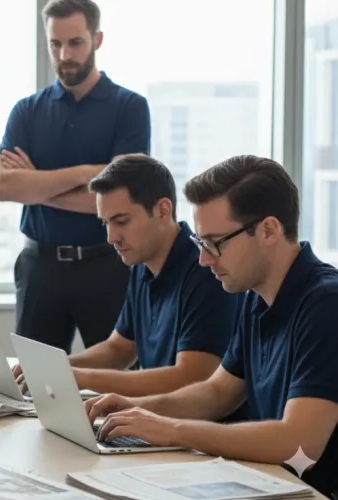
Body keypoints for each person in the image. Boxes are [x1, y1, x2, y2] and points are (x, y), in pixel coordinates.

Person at [84, 155, 338, 497]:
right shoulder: (256, 295)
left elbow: (299, 442)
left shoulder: (325, 303)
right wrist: (133, 406)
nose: (204, 259)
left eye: (215, 243)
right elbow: (218, 392)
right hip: (273, 484)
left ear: (269, 230)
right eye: (200, 244)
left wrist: (172, 429)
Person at [15, 154, 243, 401]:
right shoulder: (141, 264)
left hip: (197, 430)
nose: (112, 237)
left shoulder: (205, 269)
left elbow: (191, 377)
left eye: (121, 221)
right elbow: (118, 349)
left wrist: (80, 378)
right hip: (159, 420)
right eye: (105, 224)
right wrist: (52, 366)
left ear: (163, 210)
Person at [0, 0, 151, 353]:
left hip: (108, 264)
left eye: (75, 42)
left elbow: (123, 198)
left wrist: (36, 187)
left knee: (118, 380)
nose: (65, 54)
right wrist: (88, 174)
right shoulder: (26, 111)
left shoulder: (130, 108)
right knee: (33, 381)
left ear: (97, 39)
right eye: (55, 44)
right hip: (40, 267)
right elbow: (5, 187)